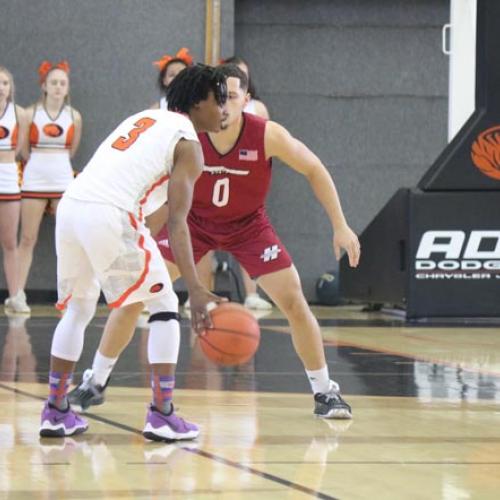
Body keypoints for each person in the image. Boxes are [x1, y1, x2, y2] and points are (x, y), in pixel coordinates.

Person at [69, 64, 361, 420]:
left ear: (247, 101)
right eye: (218, 97)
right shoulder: (187, 133)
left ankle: (324, 392)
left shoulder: (267, 134)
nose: (223, 105)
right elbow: (161, 192)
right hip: (193, 224)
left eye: (232, 97)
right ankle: (94, 382)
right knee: (134, 298)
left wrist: (340, 225)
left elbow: (314, 168)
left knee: (293, 300)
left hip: (249, 226)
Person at [39, 64, 228, 440]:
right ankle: (162, 413)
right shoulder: (189, 145)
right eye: (217, 99)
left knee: (78, 310)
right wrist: (195, 288)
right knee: (163, 306)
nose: (224, 108)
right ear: (196, 102)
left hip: (72, 207)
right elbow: (177, 223)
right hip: (109, 214)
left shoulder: (145, 117)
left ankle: (56, 410)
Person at [189, 55, 273, 311]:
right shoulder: (204, 111)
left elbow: (267, 147)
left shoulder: (258, 112)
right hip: (208, 190)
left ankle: (252, 293)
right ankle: (202, 295)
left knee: (250, 241)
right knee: (201, 246)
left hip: (242, 189)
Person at [17, 61, 82, 313]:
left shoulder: (74, 116)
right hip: (34, 179)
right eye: (53, 82)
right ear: (44, 86)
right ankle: (18, 294)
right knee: (28, 237)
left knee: (67, 238)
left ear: (67, 88)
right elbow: (23, 148)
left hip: (63, 179)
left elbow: (73, 149)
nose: (57, 87)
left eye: (62, 83)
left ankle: (70, 293)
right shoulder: (29, 113)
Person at [0, 67, 29, 313]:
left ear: (11, 88)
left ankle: (16, 295)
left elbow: (20, 148)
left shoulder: (19, 114)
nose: (1, 87)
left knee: (10, 241)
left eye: (5, 83)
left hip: (8, 176)